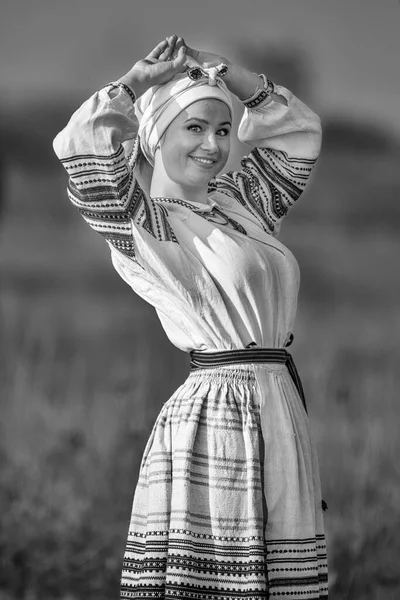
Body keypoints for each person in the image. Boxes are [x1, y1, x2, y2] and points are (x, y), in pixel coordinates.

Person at [53, 34, 328, 599]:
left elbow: (300, 134)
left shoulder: (237, 207)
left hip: (277, 407)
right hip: (219, 417)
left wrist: (221, 73)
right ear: (157, 135)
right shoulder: (145, 226)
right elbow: (82, 141)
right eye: (194, 128)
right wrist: (137, 81)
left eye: (223, 129)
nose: (212, 144)